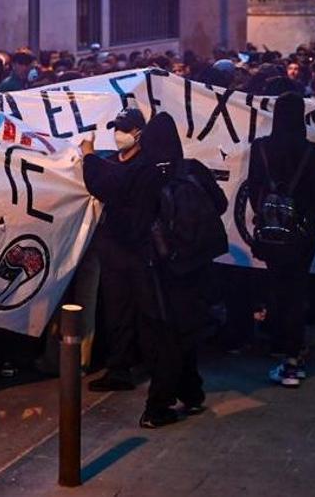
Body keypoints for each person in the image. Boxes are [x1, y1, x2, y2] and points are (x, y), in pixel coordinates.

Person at [83, 113, 225, 428]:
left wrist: (88, 157)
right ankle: (192, 393)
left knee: (164, 336)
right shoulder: (193, 170)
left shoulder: (143, 174)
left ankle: (157, 408)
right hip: (192, 265)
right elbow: (221, 204)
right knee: (183, 330)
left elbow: (107, 190)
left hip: (158, 269)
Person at [246, 93, 315, 388]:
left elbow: (254, 190)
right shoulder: (312, 151)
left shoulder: (260, 148)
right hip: (301, 235)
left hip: (271, 233)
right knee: (296, 290)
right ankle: (293, 356)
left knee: (277, 288)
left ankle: (281, 346)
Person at [83, 108, 148, 393]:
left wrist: (88, 157)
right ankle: (121, 362)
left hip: (134, 250)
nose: (118, 135)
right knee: (116, 309)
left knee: (131, 308)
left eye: (124, 129)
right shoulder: (112, 160)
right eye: (116, 128)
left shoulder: (143, 166)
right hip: (113, 250)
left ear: (138, 133)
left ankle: (124, 367)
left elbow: (105, 185)